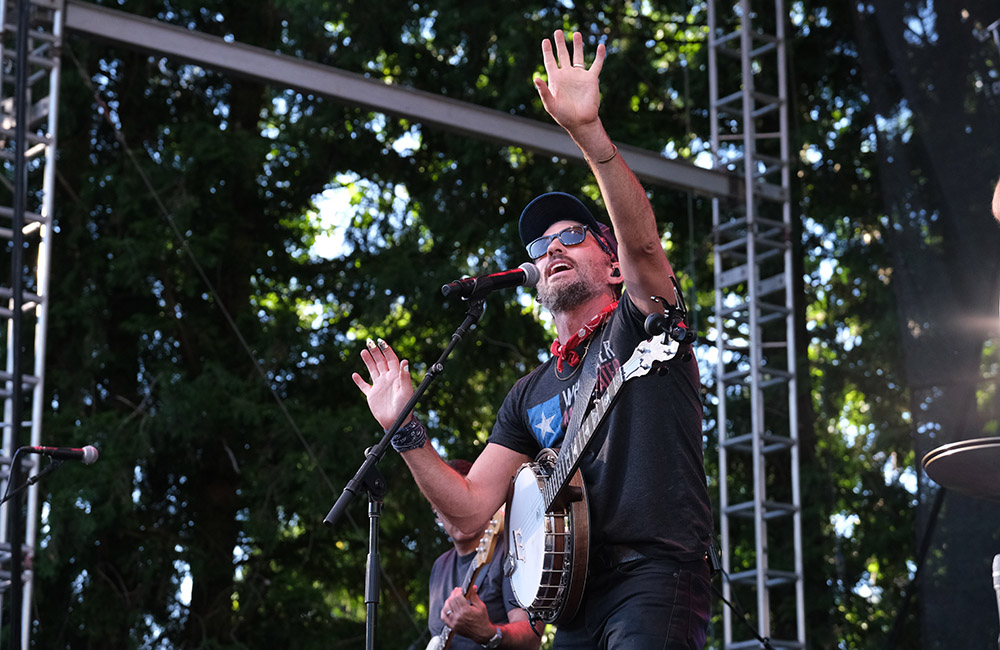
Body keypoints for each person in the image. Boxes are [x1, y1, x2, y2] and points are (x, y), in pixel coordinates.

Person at [353, 30, 713, 649]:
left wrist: (588, 134)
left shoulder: (640, 322)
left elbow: (645, 243)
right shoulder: (529, 394)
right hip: (570, 607)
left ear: (613, 266)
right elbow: (469, 514)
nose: (552, 253)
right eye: (541, 248)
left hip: (654, 577)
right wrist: (404, 431)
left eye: (571, 238)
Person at [424, 459, 542, 650]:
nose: (459, 511)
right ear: (437, 514)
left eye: (462, 500)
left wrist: (489, 633)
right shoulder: (439, 566)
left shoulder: (509, 550)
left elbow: (532, 636)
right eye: (448, 504)